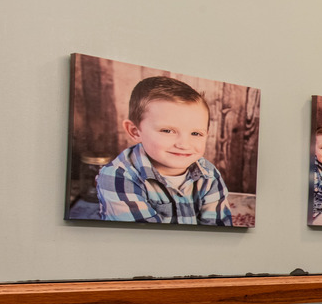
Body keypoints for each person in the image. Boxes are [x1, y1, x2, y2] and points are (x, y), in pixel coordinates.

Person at [94, 76, 232, 224]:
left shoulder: (208, 174)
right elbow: (145, 240)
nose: (184, 144)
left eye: (196, 133)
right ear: (135, 131)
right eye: (167, 131)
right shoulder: (118, 176)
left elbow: (218, 229)